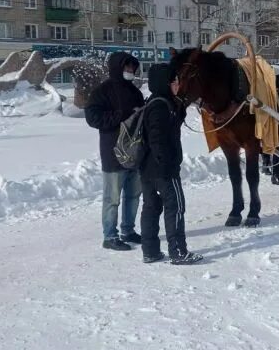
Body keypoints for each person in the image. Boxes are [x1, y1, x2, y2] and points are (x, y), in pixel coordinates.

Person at [139, 64, 201, 265]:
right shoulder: (160, 106)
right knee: (175, 207)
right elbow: (157, 138)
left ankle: (150, 251)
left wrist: (180, 106)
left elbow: (171, 125)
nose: (178, 85)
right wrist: (166, 166)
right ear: (166, 84)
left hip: (147, 168)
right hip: (163, 169)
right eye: (174, 81)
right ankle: (178, 252)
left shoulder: (156, 102)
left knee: (151, 208)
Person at [85, 52, 145, 251]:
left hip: (135, 152)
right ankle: (110, 236)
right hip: (113, 153)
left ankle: (128, 230)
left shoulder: (135, 92)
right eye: (126, 67)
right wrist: (120, 116)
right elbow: (93, 118)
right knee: (112, 198)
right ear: (117, 68)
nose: (130, 71)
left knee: (133, 195)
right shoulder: (102, 92)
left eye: (132, 68)